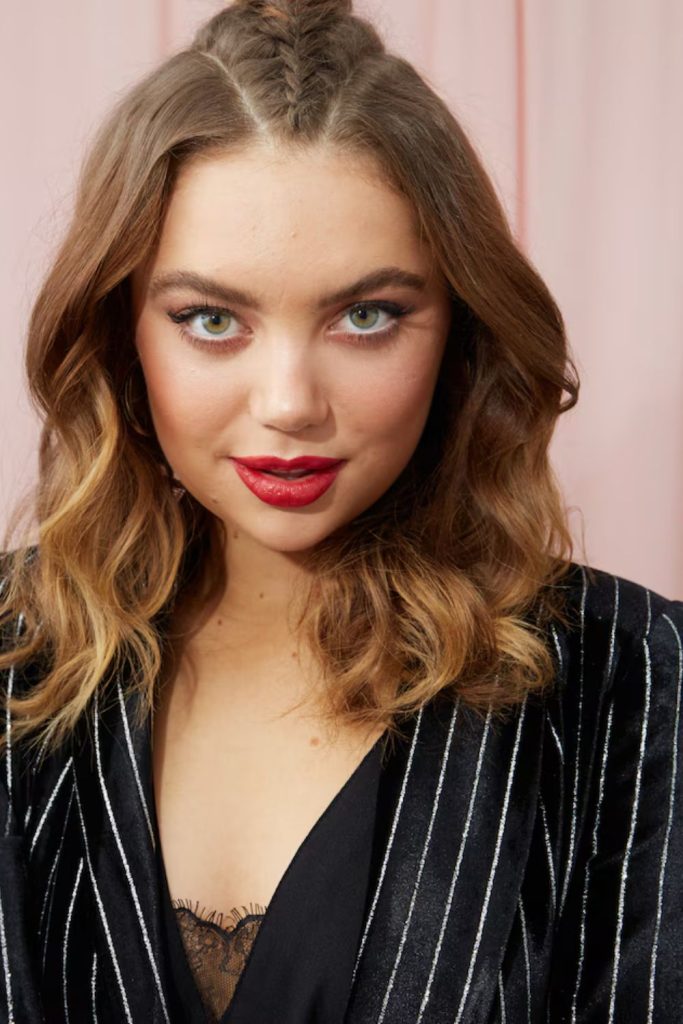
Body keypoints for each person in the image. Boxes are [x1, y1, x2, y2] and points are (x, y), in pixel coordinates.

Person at [0, 0, 681, 1021]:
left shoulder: (637, 681)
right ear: (120, 332)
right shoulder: (14, 654)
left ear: (458, 328)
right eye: (211, 319)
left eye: (365, 316)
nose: (288, 403)